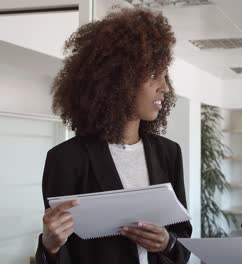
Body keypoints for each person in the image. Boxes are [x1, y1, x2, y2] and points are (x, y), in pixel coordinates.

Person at [35, 8, 192, 264]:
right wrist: (50, 247)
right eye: (153, 76)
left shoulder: (168, 152)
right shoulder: (66, 159)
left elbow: (182, 237)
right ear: (119, 80)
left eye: (164, 76)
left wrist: (167, 242)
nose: (164, 87)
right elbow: (62, 249)